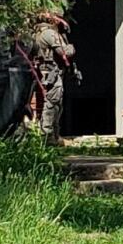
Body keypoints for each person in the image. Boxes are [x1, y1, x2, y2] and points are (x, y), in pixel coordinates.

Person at [33, 10, 77, 144]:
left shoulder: (39, 32)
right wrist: (71, 47)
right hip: (51, 71)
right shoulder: (49, 33)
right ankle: (48, 135)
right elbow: (64, 52)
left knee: (56, 103)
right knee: (52, 102)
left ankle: (55, 135)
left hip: (50, 71)